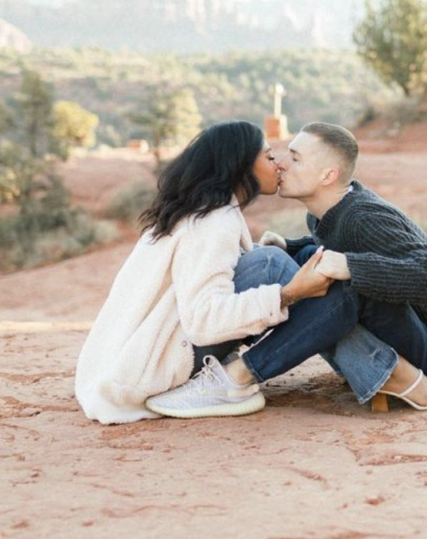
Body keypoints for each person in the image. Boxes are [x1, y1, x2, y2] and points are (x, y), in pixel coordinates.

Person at [145, 122, 427, 417]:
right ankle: (379, 369)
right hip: (411, 337)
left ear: (327, 175)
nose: (281, 163)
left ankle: (239, 376)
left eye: (295, 157)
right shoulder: (327, 211)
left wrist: (350, 266)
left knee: (336, 280)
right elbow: (332, 244)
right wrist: (289, 247)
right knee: (310, 259)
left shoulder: (364, 217)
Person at [74, 120, 334, 424]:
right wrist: (288, 293)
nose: (277, 164)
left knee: (280, 257)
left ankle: (376, 372)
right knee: (272, 265)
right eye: (268, 156)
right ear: (240, 166)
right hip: (155, 366)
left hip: (138, 358)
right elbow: (204, 321)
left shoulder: (206, 210)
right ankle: (377, 375)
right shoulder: (213, 222)